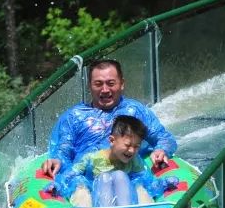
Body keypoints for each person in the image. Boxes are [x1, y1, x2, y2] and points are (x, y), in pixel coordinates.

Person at [41, 58, 177, 179]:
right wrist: (58, 160)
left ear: (122, 84)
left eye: (111, 83)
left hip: (130, 176)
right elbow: (64, 149)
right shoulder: (74, 117)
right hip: (87, 178)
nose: (105, 90)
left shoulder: (135, 111)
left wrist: (161, 150)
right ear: (89, 86)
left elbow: (163, 138)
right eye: (98, 84)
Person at [52, 115, 179, 207]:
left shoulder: (135, 160)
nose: (131, 150)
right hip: (95, 195)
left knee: (125, 179)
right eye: (127, 145)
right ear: (112, 141)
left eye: (136, 146)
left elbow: (147, 180)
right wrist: (57, 186)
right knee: (91, 183)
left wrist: (163, 184)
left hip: (125, 197)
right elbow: (69, 176)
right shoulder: (91, 158)